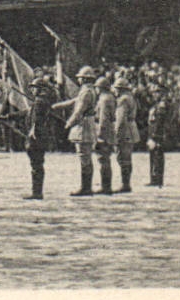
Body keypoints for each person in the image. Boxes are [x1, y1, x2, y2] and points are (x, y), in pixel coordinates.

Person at [55, 65, 101, 196]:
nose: (79, 80)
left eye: (80, 78)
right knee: (85, 157)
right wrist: (57, 106)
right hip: (87, 124)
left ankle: (85, 188)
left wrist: (69, 123)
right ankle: (86, 187)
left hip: (83, 126)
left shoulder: (86, 92)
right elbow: (74, 102)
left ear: (85, 79)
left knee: (84, 157)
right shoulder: (89, 90)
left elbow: (79, 110)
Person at [22, 74, 58, 200]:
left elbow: (36, 120)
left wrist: (32, 135)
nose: (32, 90)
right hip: (40, 137)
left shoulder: (39, 101)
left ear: (41, 89)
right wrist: (9, 116)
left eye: (34, 87)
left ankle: (37, 192)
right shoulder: (41, 101)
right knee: (37, 165)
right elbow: (27, 113)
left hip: (36, 137)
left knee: (36, 165)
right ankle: (36, 191)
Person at [112, 77, 139, 194]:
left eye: (116, 89)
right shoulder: (131, 98)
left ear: (120, 89)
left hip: (125, 130)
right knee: (127, 157)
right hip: (132, 128)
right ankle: (126, 183)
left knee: (122, 157)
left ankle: (125, 184)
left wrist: (116, 133)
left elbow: (120, 119)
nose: (115, 91)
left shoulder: (122, 100)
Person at [95, 73, 118, 196]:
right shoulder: (110, 97)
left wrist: (99, 135)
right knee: (106, 159)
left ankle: (106, 186)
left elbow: (103, 119)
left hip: (104, 132)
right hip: (110, 131)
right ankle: (106, 186)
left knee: (103, 160)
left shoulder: (104, 100)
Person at [145, 84, 173, 187]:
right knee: (153, 156)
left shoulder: (161, 105)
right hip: (153, 133)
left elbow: (160, 122)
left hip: (158, 135)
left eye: (157, 92)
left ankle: (157, 179)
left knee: (157, 156)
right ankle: (154, 178)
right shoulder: (155, 105)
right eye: (154, 92)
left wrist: (154, 136)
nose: (154, 94)